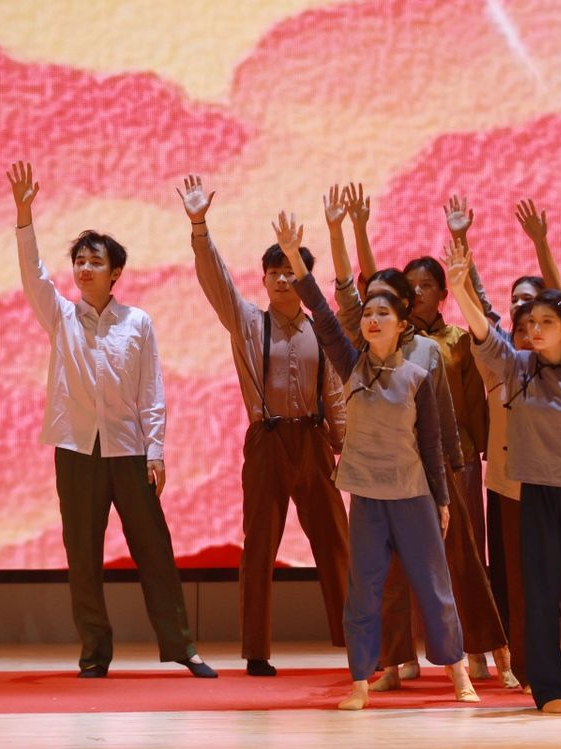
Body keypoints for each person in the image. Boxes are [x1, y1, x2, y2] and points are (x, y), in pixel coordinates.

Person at [7, 161, 215, 679]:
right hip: (77, 448)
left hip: (130, 450)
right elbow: (33, 274)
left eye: (94, 261)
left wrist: (156, 450)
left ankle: (183, 647)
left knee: (155, 551)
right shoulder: (61, 315)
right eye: (79, 261)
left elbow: (151, 391)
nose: (83, 269)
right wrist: (24, 216)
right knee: (83, 555)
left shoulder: (137, 323)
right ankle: (94, 654)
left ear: (115, 272)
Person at [272, 211, 477, 710]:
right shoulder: (352, 362)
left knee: (435, 588)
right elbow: (322, 312)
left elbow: (432, 441)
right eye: (368, 313)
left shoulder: (418, 370)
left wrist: (442, 500)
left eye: (383, 313)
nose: (372, 319)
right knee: (363, 590)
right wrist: (296, 257)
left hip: (412, 494)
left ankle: (458, 674)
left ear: (402, 324)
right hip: (366, 495)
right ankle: (361, 681)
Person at [321, 185, 513, 690]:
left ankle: (479, 652)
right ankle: (397, 659)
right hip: (390, 469)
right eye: (412, 286)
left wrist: (458, 464)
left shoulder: (448, 342)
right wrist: (354, 229)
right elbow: (359, 292)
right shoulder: (377, 345)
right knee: (388, 572)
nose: (419, 291)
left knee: (459, 563)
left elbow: (457, 407)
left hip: (449, 461)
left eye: (428, 285)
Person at [178, 175, 350, 676]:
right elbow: (216, 282)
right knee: (258, 546)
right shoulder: (250, 323)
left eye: (291, 272)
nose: (281, 280)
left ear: (304, 279)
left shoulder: (322, 329)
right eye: (274, 272)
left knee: (337, 545)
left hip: (314, 440)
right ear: (264, 279)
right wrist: (199, 227)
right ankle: (256, 651)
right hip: (268, 439)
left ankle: (357, 642)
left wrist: (344, 446)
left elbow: (335, 393)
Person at [445, 238, 561, 715]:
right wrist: (460, 288)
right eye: (529, 323)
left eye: (546, 322)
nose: (535, 330)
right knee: (540, 596)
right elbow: (486, 337)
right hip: (537, 496)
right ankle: (551, 689)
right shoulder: (518, 366)